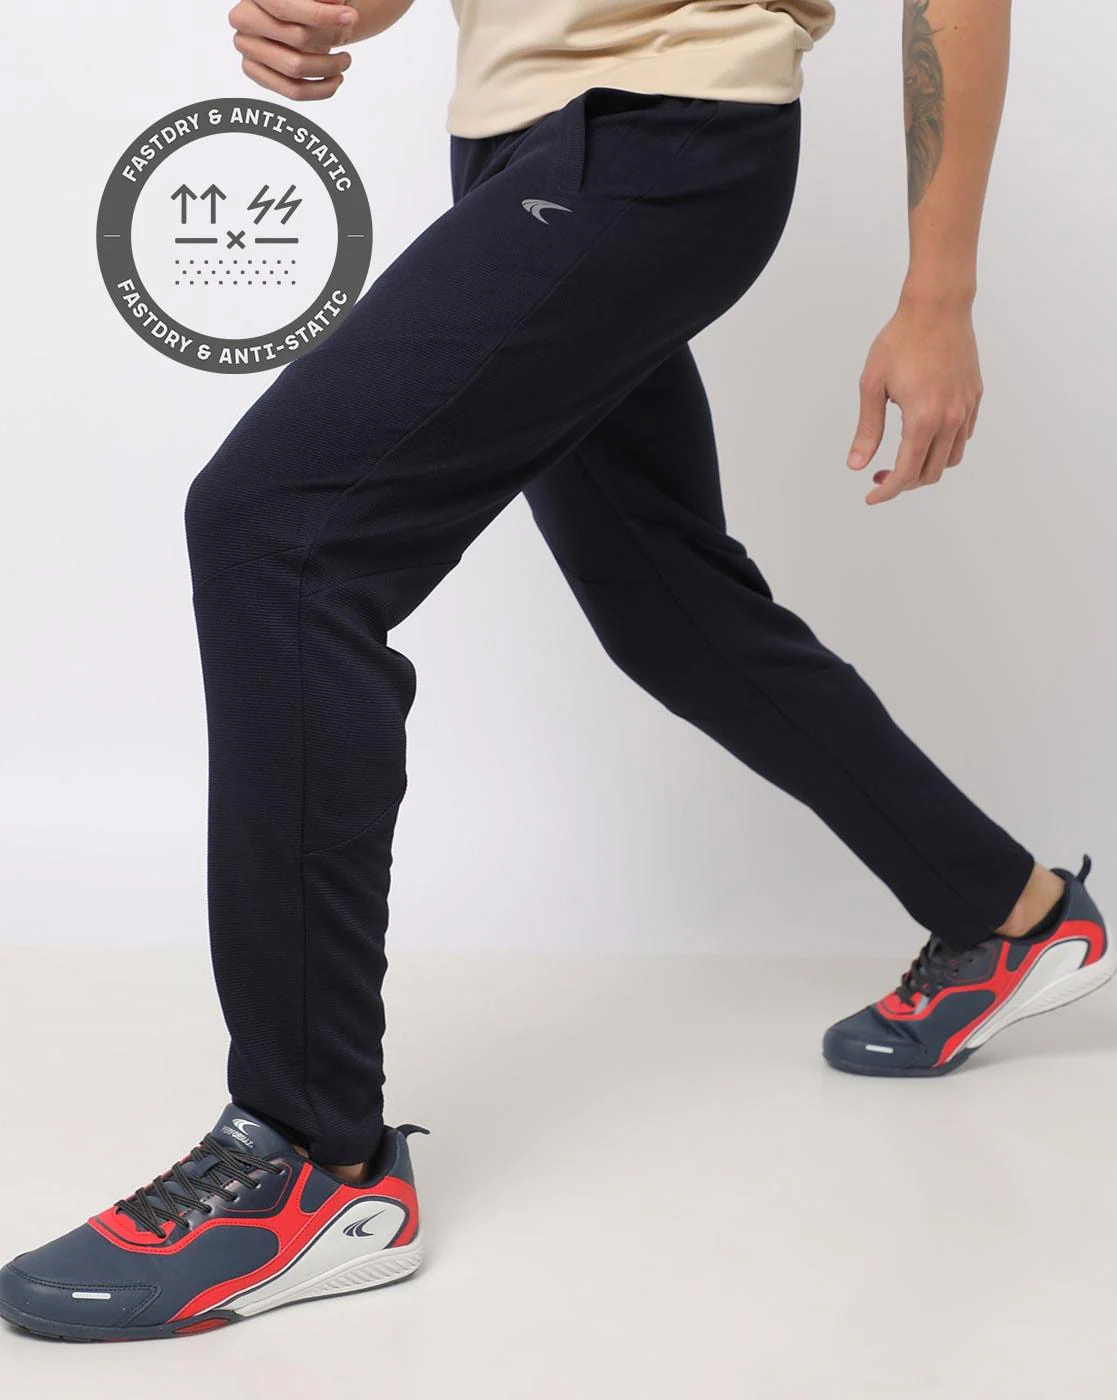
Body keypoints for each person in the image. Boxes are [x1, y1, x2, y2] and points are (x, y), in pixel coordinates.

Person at [1, 0, 1109, 1343]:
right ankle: (1010, 910)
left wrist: (940, 294)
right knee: (665, 603)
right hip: (523, 146)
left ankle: (309, 1162)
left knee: (277, 535)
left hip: (663, 131)